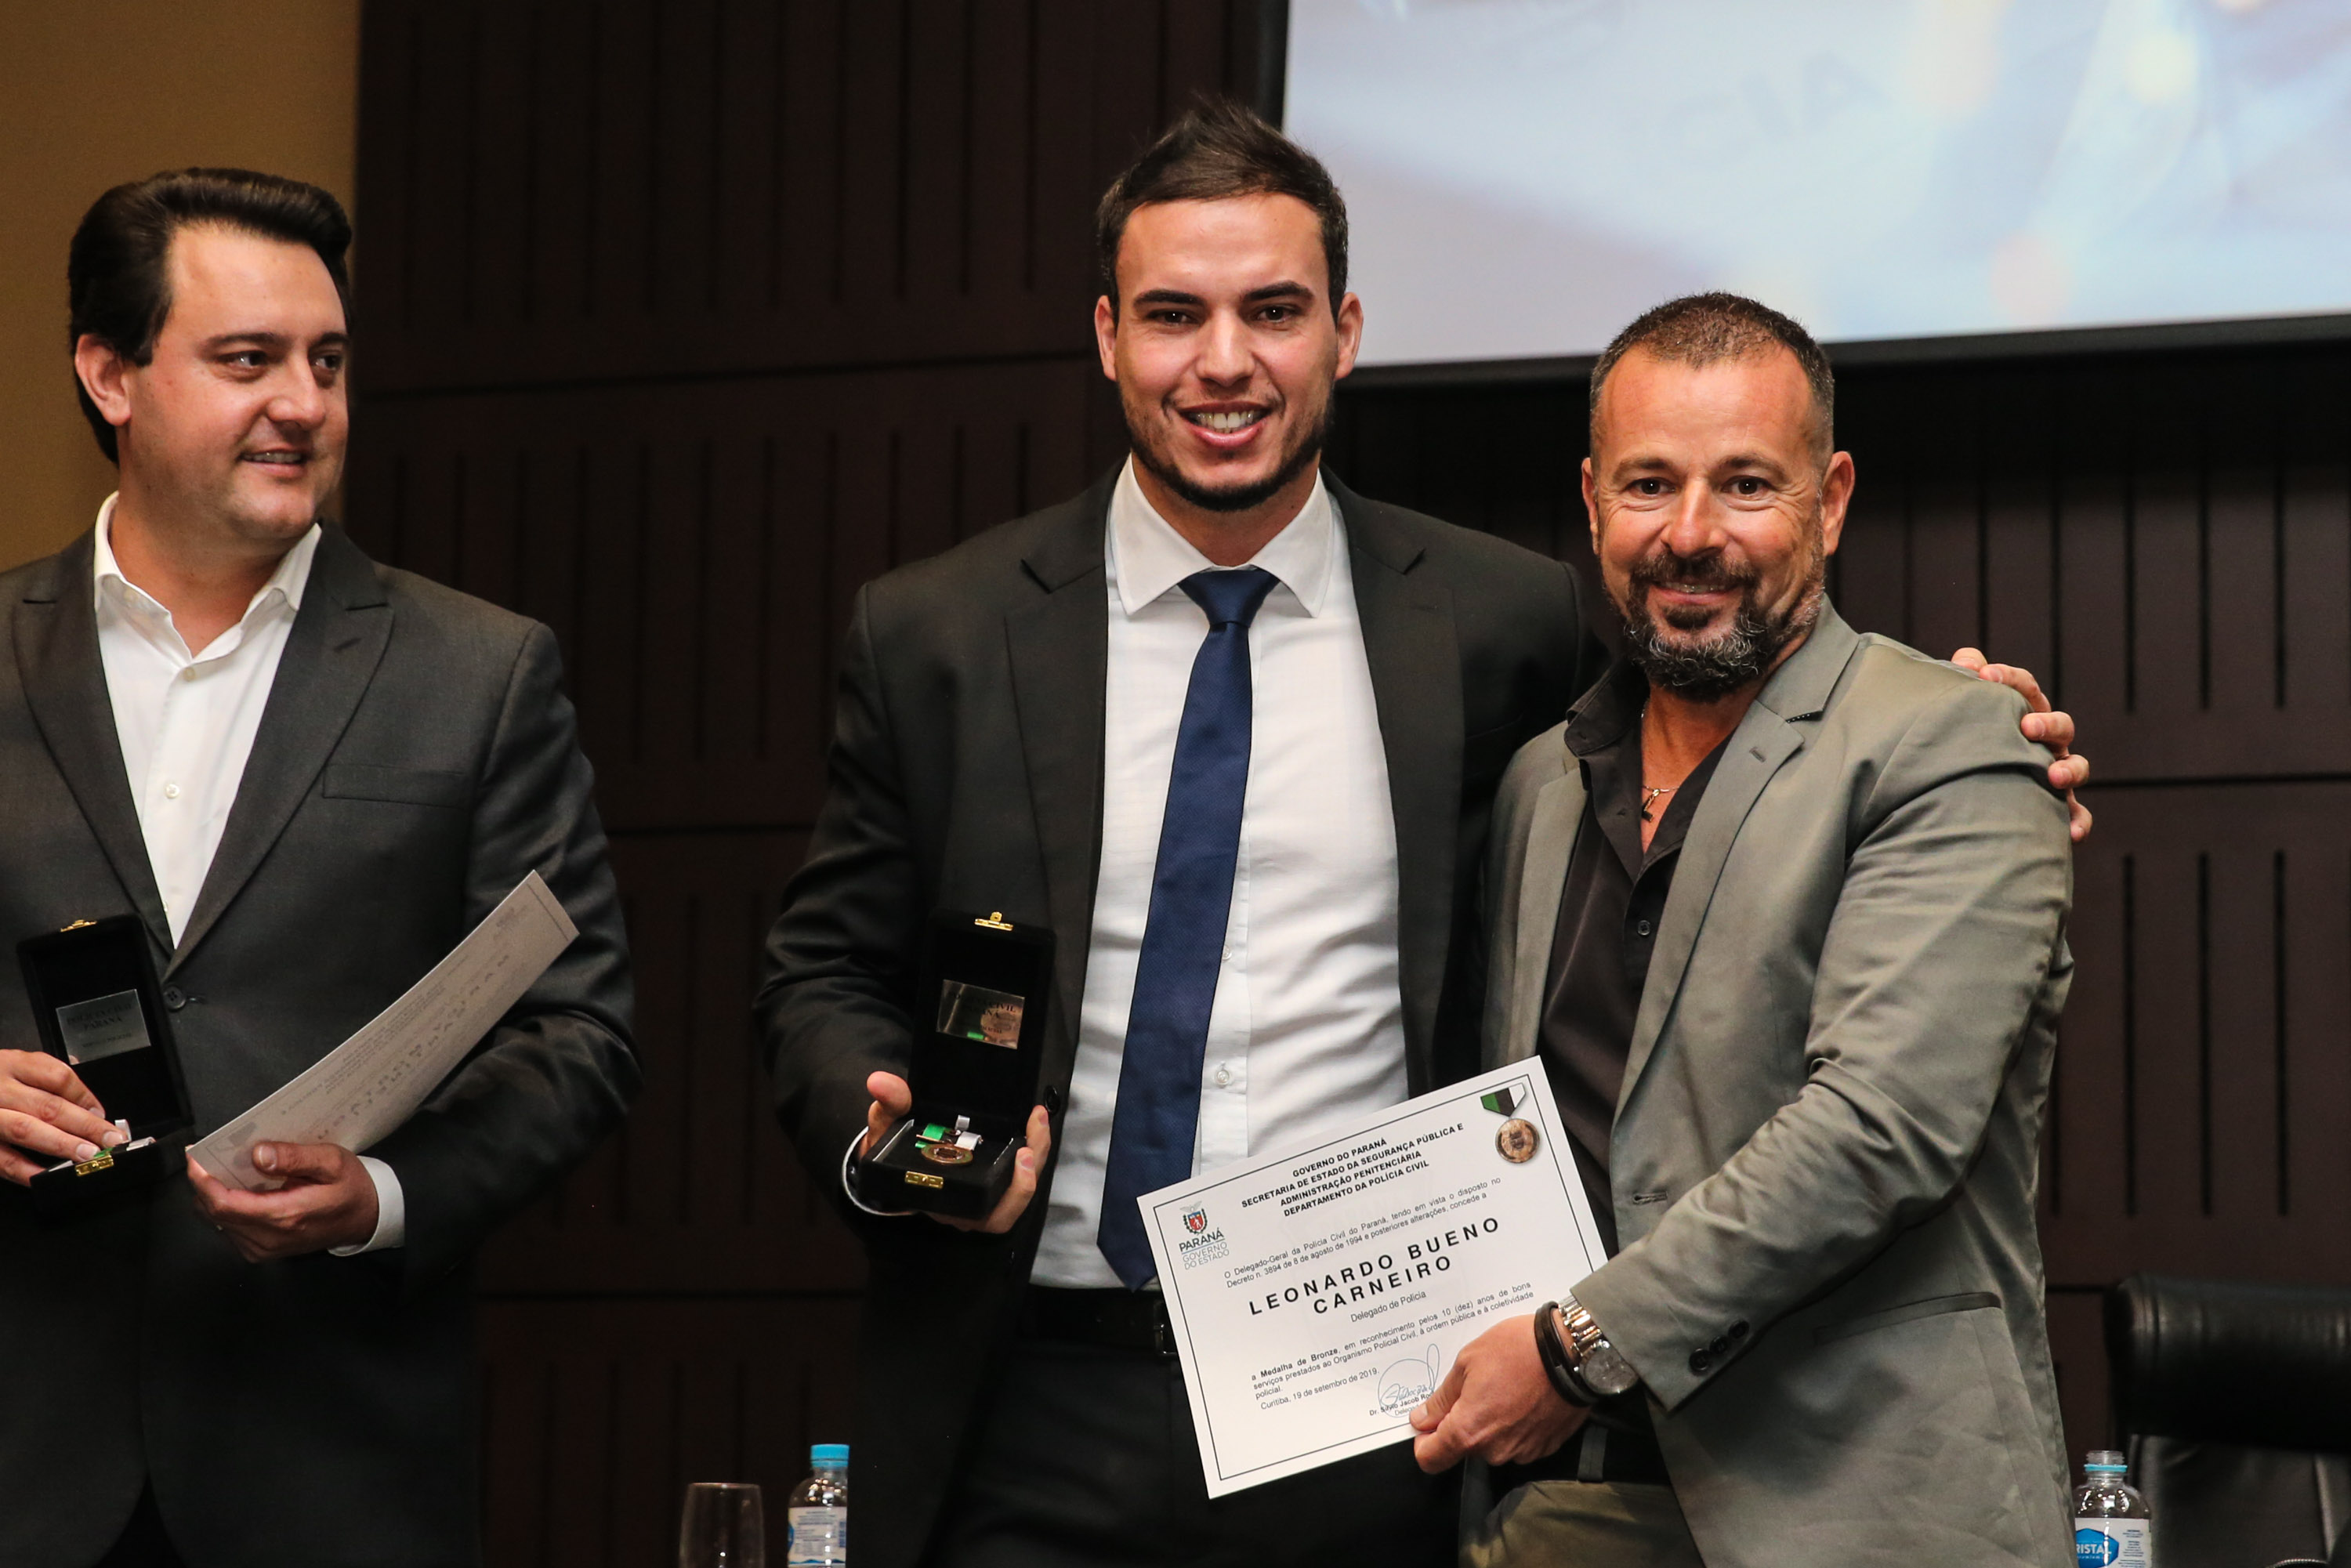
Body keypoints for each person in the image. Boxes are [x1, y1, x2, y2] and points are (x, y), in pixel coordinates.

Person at [757, 106, 2085, 1568]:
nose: (1223, 361)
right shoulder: (936, 630)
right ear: (1105, 335)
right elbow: (820, 971)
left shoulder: (1494, 622)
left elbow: (1753, 734)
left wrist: (1969, 726)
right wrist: (880, 1131)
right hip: (1026, 1381)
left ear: (1345, 330)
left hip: (1377, 1407)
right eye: (1172, 315)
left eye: (1273, 310)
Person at [0, 169, 636, 1567]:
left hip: (329, 1467)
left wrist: (386, 1196)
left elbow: (581, 1033)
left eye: (327, 361)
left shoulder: (479, 672)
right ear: (109, 372)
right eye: (247, 359)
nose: (304, 402)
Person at [1408, 294, 2075, 1567]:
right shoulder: (1540, 784)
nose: (1693, 534)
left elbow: (1879, 1132)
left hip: (1863, 1512)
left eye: (1747, 484)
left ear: (1828, 501)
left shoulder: (1948, 742)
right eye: (1650, 483)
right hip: (1562, 1506)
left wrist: (1574, 1345)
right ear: (1594, 501)